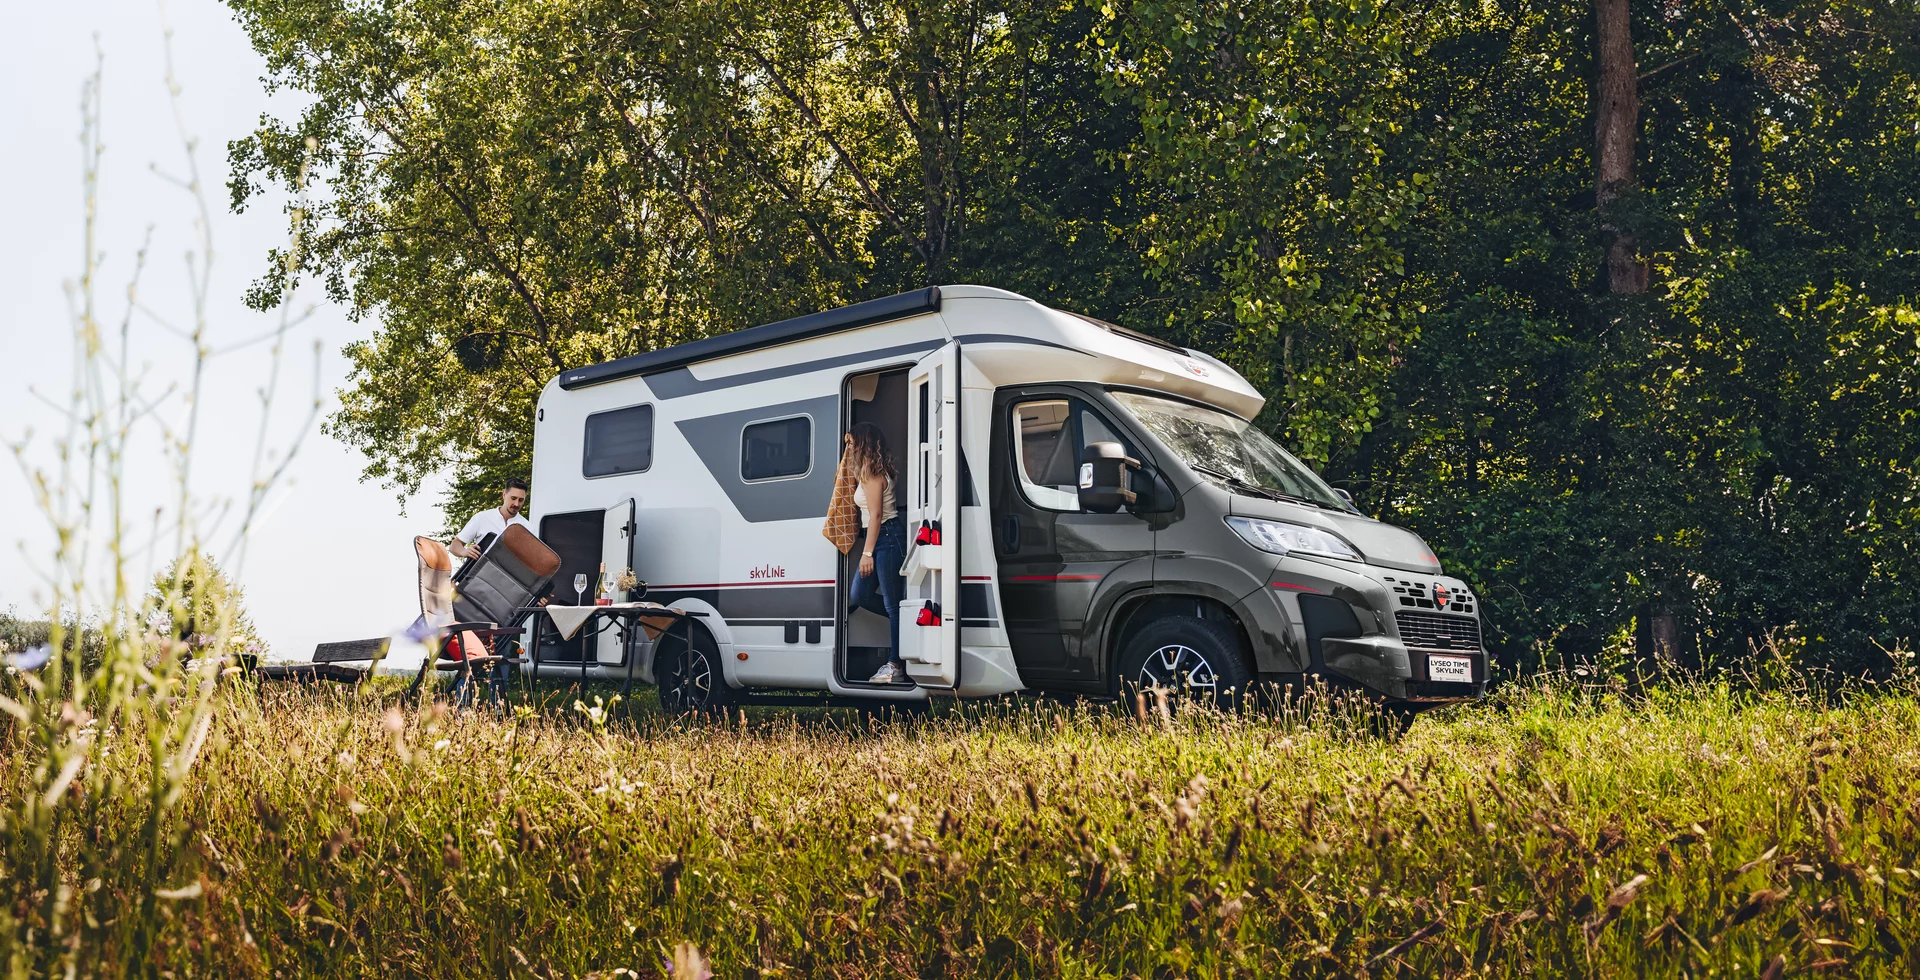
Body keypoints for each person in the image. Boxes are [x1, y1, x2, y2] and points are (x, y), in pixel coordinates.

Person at [843, 423, 910, 685]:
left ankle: (895, 665)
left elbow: (876, 516)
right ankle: (905, 620)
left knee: (893, 604)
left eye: (851, 443)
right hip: (884, 536)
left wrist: (867, 553)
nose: (848, 448)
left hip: (886, 537)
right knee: (860, 595)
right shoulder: (872, 470)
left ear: (863, 444)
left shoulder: (872, 473)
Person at [451, 478, 532, 560]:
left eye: (521, 500)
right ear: (504, 495)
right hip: (482, 571)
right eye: (513, 498)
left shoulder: (528, 528)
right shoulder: (482, 518)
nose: (516, 504)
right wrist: (464, 551)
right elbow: (454, 545)